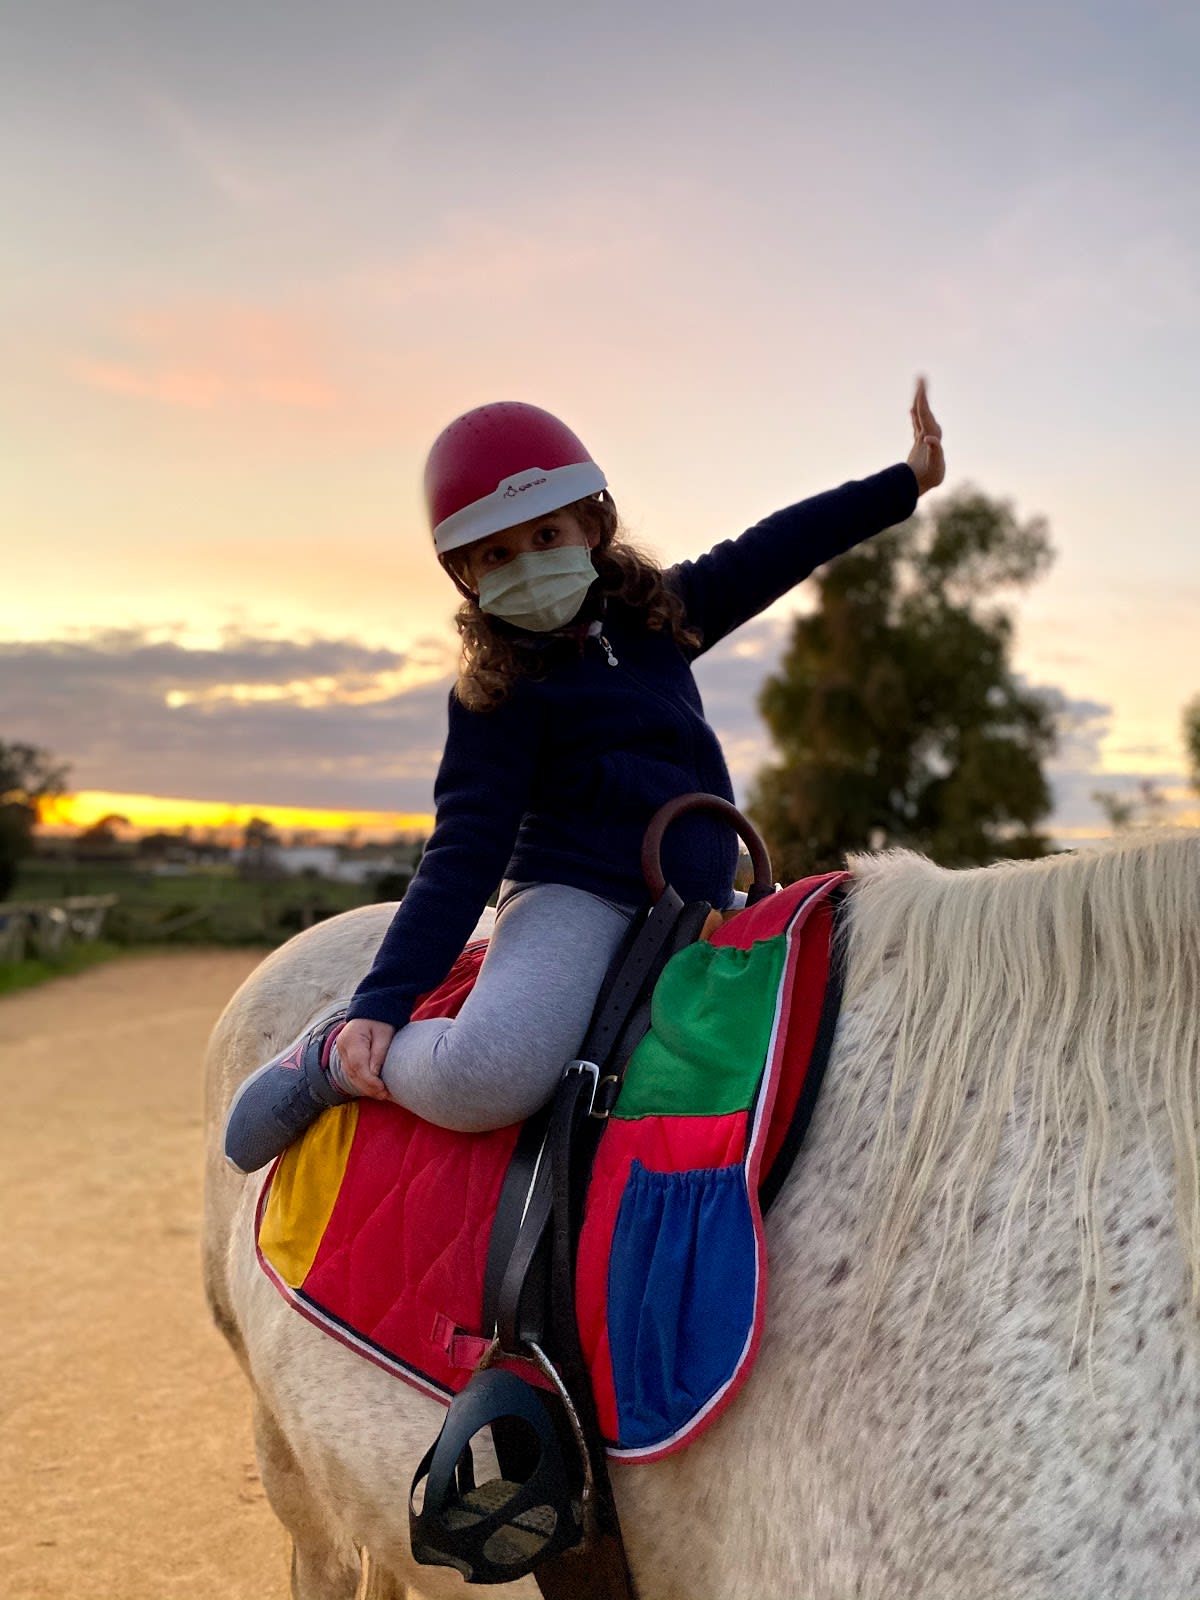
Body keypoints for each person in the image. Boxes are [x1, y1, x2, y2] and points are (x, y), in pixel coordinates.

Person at [224, 383, 945, 1172]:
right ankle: (333, 1058)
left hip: (702, 895)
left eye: (545, 535)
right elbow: (463, 852)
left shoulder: (662, 616)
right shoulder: (498, 695)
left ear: (591, 526)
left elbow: (779, 545)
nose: (526, 563)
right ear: (466, 575)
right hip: (578, 898)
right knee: (493, 1078)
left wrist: (903, 481)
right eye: (496, 553)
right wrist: (382, 1003)